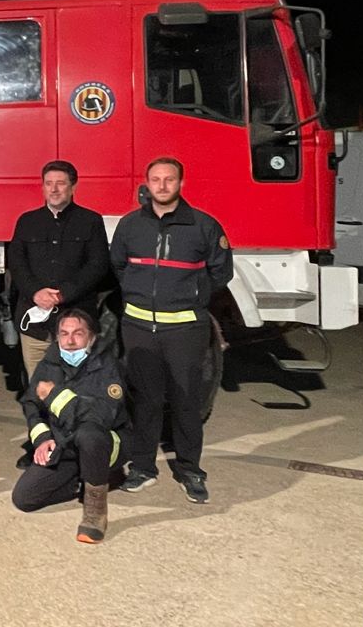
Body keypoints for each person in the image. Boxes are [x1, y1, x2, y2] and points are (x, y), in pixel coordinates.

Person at [110, 157, 233, 504]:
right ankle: (143, 468)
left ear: (181, 183)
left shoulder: (203, 226)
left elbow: (221, 272)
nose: (162, 186)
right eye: (156, 179)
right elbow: (118, 265)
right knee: (145, 402)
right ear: (146, 183)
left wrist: (191, 295)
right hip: (139, 328)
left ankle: (190, 470)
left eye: (169, 179)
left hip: (184, 330)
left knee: (186, 403)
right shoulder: (130, 225)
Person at [7, 160, 110, 467]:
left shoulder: (90, 221)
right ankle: (39, 444)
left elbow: (97, 266)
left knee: (76, 386)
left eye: (61, 183)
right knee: (38, 387)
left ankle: (74, 446)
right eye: (49, 183)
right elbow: (17, 263)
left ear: (73, 186)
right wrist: (35, 292)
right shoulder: (27, 221)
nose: (54, 189)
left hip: (75, 324)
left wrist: (64, 294)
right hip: (36, 325)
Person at [11, 309, 130, 543]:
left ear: (92, 337)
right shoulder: (50, 362)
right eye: (64, 334)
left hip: (103, 444)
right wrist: (43, 438)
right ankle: (84, 478)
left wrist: (55, 396)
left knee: (88, 434)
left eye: (78, 333)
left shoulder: (108, 366)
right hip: (65, 444)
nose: (71, 341)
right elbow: (31, 404)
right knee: (24, 499)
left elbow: (100, 417)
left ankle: (95, 512)